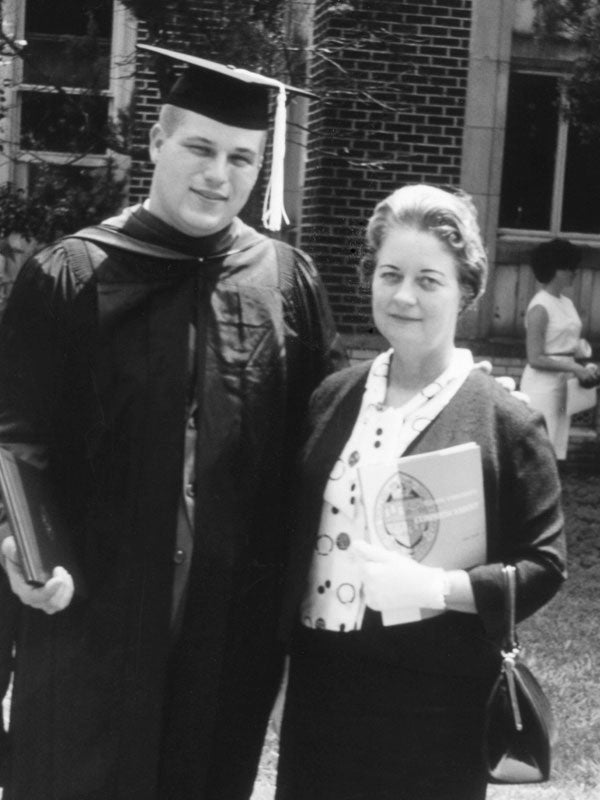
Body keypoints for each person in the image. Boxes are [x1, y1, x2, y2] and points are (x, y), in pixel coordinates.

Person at [0, 45, 345, 800]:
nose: (219, 175)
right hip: (93, 618)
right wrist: (15, 539)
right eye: (199, 148)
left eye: (243, 158)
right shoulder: (70, 275)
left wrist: (443, 392)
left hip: (228, 632)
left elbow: (331, 435)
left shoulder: (286, 283)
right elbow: (14, 443)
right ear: (155, 142)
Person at [276, 184, 566, 800]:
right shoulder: (331, 398)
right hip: (321, 692)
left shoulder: (504, 420)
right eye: (390, 274)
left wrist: (438, 588)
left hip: (435, 708)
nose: (404, 296)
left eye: (429, 280)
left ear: (467, 289)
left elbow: (545, 566)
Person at [520, 237, 599, 461]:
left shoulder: (566, 302)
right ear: (556, 270)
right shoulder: (540, 306)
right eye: (570, 267)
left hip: (566, 384)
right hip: (542, 387)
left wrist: (584, 359)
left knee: (557, 445)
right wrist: (573, 366)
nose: (575, 272)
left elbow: (570, 342)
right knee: (539, 447)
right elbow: (534, 357)